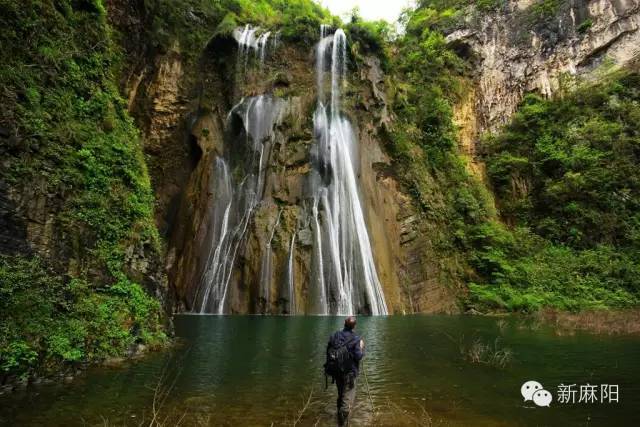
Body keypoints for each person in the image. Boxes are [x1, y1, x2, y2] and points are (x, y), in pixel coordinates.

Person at [324, 316, 365, 426]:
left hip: (337, 372)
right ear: (354, 326)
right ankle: (343, 422)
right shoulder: (356, 339)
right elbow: (358, 356)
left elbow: (328, 351)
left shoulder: (334, 336)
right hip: (350, 374)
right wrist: (361, 347)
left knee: (341, 394)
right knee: (347, 400)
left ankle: (338, 419)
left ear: (344, 324)